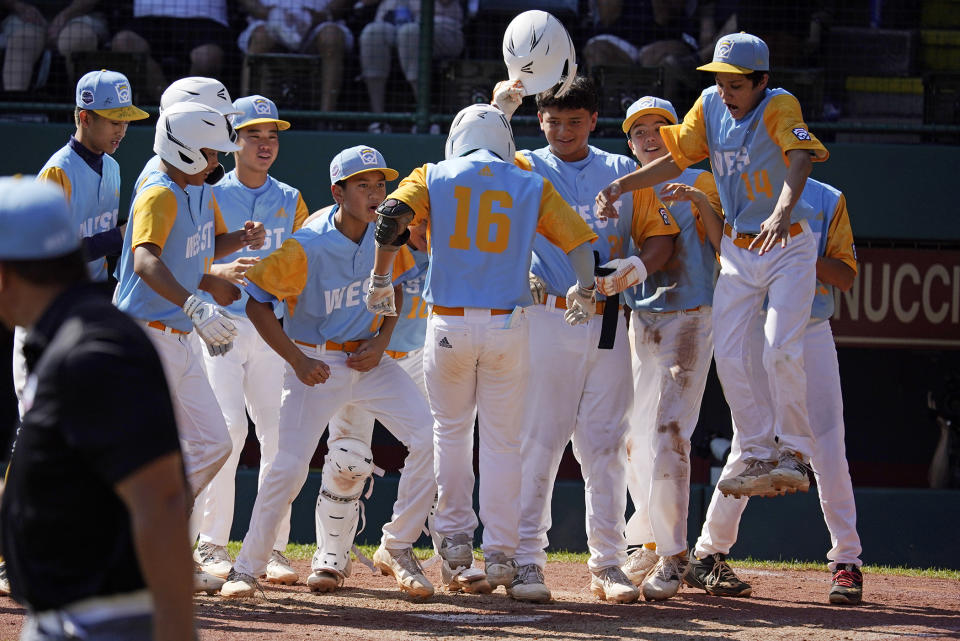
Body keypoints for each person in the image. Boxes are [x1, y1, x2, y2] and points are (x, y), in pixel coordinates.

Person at [366, 104, 599, 595]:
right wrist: (583, 287)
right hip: (507, 325)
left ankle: (452, 538)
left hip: (447, 322)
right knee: (502, 442)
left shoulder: (434, 174)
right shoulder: (528, 179)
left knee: (449, 433)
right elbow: (578, 240)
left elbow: (390, 219)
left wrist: (381, 277)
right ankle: (500, 552)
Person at [596, 32, 829, 500]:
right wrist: (621, 185)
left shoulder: (780, 105)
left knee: (778, 348)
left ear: (761, 80)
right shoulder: (709, 105)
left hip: (788, 242)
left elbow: (801, 158)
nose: (726, 92)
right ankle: (760, 451)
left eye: (736, 84)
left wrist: (783, 209)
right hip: (740, 248)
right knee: (730, 355)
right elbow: (671, 159)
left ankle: (796, 454)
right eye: (721, 82)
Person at [220, 146, 437, 601]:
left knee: (430, 441)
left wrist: (381, 342)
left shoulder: (388, 233)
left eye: (380, 184)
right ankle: (246, 567)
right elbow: (257, 300)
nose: (376, 193)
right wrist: (295, 360)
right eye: (363, 185)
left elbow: (391, 291)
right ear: (338, 192)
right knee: (288, 467)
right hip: (314, 362)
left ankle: (396, 543)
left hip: (369, 361)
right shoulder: (309, 242)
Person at [490, 77, 676, 604]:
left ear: (594, 120)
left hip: (610, 319)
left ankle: (609, 564)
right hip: (547, 316)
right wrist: (500, 108)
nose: (563, 131)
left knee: (605, 448)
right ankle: (527, 561)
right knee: (539, 444)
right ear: (540, 121)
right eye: (553, 121)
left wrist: (636, 266)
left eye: (575, 121)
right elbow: (471, 156)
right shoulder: (522, 165)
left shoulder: (622, 171)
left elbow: (661, 237)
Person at [0, 177, 193, 641]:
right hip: (71, 618)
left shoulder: (96, 351)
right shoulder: (62, 337)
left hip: (104, 624)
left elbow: (164, 500)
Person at [684, 177, 864, 606]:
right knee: (750, 443)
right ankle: (707, 555)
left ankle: (847, 561)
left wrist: (793, 255)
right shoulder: (738, 187)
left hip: (810, 330)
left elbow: (845, 275)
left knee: (828, 447)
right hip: (751, 328)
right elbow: (722, 253)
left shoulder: (826, 197)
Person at [113, 101, 266, 593]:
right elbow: (144, 261)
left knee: (213, 443)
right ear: (180, 147)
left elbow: (196, 248)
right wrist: (196, 303)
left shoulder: (195, 188)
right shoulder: (159, 190)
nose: (218, 162)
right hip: (142, 336)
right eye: (209, 152)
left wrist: (234, 241)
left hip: (179, 337)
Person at [607, 96, 722, 601]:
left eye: (661, 127)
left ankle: (676, 557)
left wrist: (699, 203)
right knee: (631, 435)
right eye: (639, 131)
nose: (649, 137)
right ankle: (651, 538)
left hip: (693, 317)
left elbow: (729, 249)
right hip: (641, 319)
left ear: (678, 135)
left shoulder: (705, 182)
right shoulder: (624, 192)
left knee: (670, 430)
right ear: (628, 142)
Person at [192, 95, 309, 586]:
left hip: (272, 329)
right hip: (220, 325)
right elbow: (185, 262)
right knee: (227, 432)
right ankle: (210, 542)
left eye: (272, 136)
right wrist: (218, 270)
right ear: (233, 141)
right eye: (253, 136)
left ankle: (272, 548)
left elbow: (308, 263)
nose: (265, 145)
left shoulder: (291, 197)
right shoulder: (209, 194)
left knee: (280, 438)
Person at [358, 0, 464, 133]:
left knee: (409, 33)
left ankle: (426, 117)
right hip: (391, 21)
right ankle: (378, 119)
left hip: (440, 26)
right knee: (372, 33)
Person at [238, 0, 354, 112]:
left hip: (320, 22)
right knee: (260, 38)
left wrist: (324, 15)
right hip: (268, 21)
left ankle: (326, 118)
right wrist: (264, 12)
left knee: (331, 37)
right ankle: (249, 117)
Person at [110, 0, 232, 101]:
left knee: (207, 58)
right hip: (148, 17)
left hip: (205, 18)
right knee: (124, 43)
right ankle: (168, 105)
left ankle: (190, 109)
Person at [0, 0, 109, 91]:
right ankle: (15, 110)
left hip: (82, 15)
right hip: (25, 17)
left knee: (77, 39)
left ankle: (84, 107)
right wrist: (19, 6)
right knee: (22, 41)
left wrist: (66, 15)